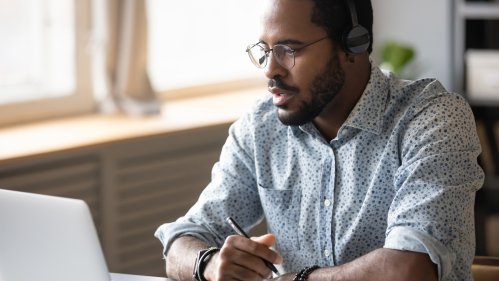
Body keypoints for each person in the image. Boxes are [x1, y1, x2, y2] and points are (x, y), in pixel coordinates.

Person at [155, 0, 484, 280]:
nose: (270, 70)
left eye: (288, 50)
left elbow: (409, 269)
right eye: (265, 51)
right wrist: (209, 264)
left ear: (353, 45)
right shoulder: (261, 127)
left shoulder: (433, 119)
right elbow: (181, 240)